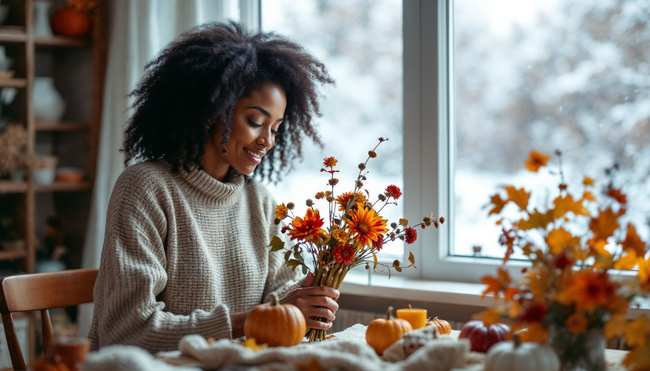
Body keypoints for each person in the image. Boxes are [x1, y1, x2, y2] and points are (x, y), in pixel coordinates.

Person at [89, 21, 338, 353]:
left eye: (276, 128)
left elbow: (279, 303)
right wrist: (246, 321)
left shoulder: (260, 202)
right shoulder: (145, 189)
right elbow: (126, 330)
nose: (267, 141)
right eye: (255, 122)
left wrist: (309, 298)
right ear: (212, 111)